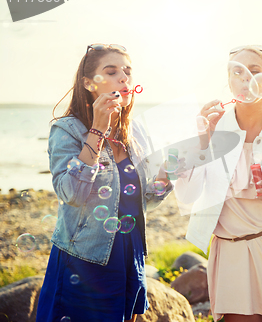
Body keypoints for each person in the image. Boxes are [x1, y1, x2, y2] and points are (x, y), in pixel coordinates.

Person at [36, 44, 172, 322]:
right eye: (111, 71)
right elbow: (70, 193)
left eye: (127, 72)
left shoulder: (134, 132)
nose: (123, 78)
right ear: (88, 83)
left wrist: (166, 177)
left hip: (130, 254)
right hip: (85, 259)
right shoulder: (66, 130)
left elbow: (143, 201)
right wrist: (97, 130)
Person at [175, 45, 262, 322]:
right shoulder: (211, 130)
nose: (246, 77)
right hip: (230, 253)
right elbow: (187, 196)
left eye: (256, 70)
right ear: (229, 81)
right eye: (238, 71)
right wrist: (202, 142)